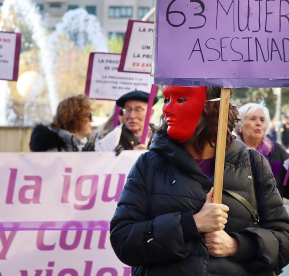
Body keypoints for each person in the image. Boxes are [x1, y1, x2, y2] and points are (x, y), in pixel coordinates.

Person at [110, 86, 289, 276]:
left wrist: (238, 245)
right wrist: (191, 224)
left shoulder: (253, 164)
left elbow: (284, 240)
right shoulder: (149, 165)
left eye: (180, 100)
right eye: (167, 100)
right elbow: (123, 240)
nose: (167, 109)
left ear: (213, 108)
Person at [235, 103, 289, 198]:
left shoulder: (277, 150)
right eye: (252, 119)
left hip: (271, 211)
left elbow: (286, 190)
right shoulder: (231, 151)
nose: (258, 123)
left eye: (262, 120)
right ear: (239, 125)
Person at [95, 90, 158, 154]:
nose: (132, 116)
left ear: (150, 113)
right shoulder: (113, 139)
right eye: (128, 110)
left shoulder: (160, 135)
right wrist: (130, 154)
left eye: (138, 110)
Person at [29, 94, 97, 152]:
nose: (92, 120)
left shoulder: (92, 146)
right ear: (75, 119)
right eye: (89, 116)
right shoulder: (52, 150)